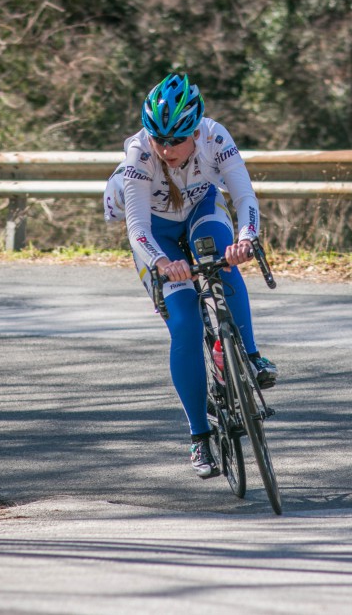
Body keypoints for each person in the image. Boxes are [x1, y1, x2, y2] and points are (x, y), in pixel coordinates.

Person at [104, 73, 277, 479]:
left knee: (223, 260)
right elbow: (137, 229)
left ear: (195, 131)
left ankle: (250, 355)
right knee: (184, 325)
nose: (166, 149)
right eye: (158, 139)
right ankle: (200, 436)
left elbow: (244, 195)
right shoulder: (139, 157)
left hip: (202, 212)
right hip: (158, 233)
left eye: (176, 140)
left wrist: (246, 239)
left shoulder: (215, 137)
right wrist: (164, 264)